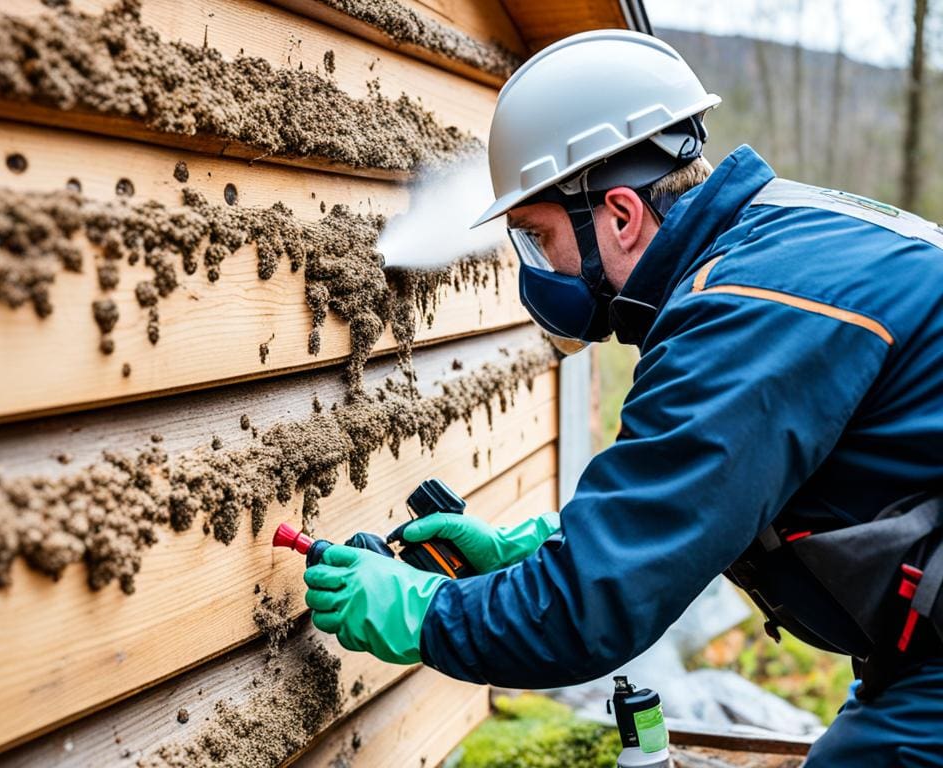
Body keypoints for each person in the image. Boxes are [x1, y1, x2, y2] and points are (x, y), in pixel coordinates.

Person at [303, 30, 943, 766]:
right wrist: (538, 551)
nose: (540, 267)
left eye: (539, 238)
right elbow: (703, 505)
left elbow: (593, 611)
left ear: (620, 214)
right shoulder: (776, 248)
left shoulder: (741, 311)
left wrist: (416, 609)